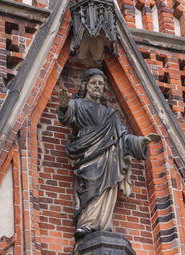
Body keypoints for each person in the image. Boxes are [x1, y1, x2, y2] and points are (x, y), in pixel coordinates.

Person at [58, 68, 160, 238]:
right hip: (87, 153)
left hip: (109, 157)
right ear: (86, 85)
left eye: (100, 83)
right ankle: (87, 222)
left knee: (106, 189)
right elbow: (66, 118)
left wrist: (142, 141)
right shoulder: (77, 104)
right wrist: (63, 106)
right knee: (91, 186)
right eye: (94, 83)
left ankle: (101, 224)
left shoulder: (110, 114)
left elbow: (124, 137)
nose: (97, 86)